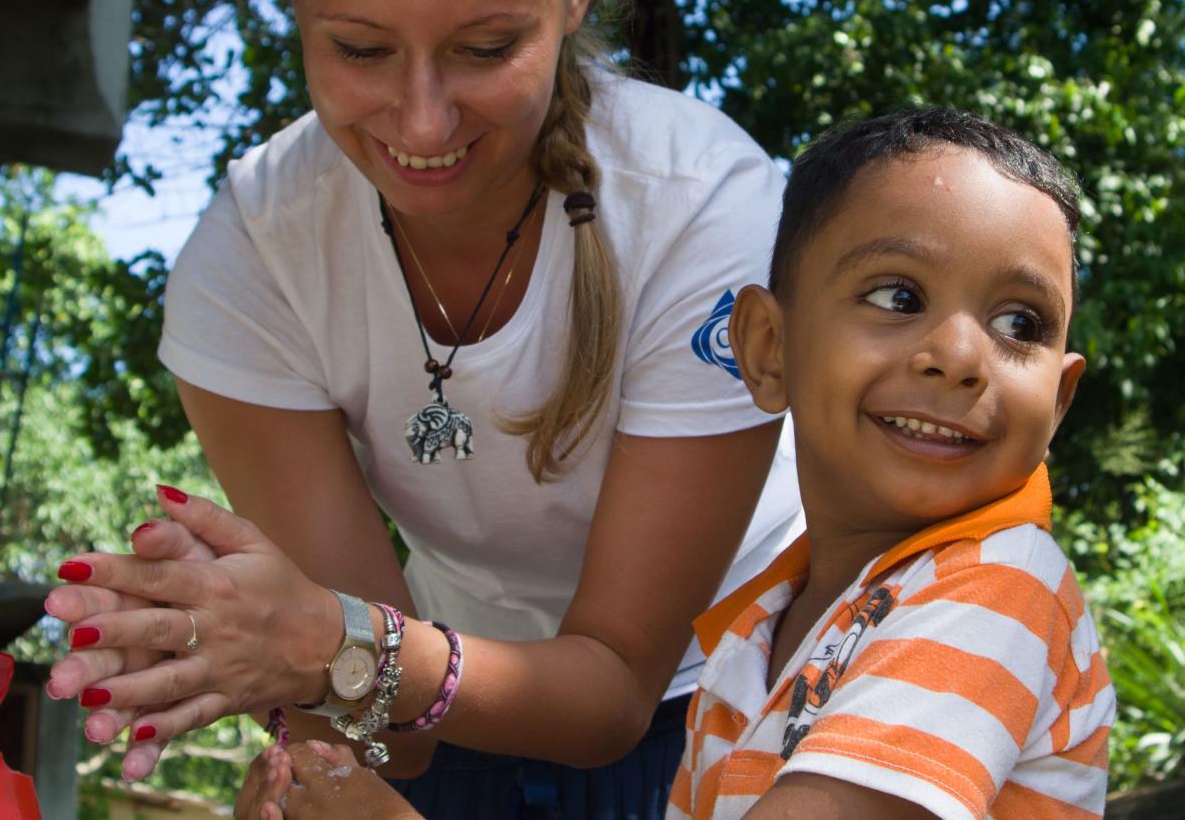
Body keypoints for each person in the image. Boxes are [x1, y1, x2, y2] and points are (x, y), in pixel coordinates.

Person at [42, 0, 803, 815]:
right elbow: (381, 727)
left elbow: (614, 686)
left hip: (740, 701)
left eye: (485, 48)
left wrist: (324, 646)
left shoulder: (703, 214)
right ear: (293, 4)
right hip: (458, 690)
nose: (423, 122)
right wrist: (259, 668)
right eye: (360, 48)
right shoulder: (255, 259)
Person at [235, 110, 1118, 820]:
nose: (962, 355)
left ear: (1061, 399)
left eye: (1021, 326)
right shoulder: (756, 625)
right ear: (766, 347)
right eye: (899, 297)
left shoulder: (996, 593)